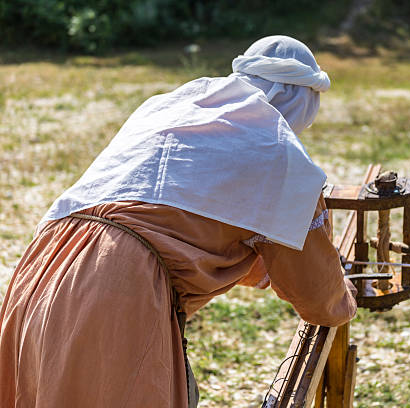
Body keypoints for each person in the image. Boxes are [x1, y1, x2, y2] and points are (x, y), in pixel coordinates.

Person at [0, 35, 357, 407]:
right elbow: (317, 294)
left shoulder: (175, 108)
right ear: (305, 100)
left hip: (41, 267)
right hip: (115, 283)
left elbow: (192, 228)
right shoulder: (279, 153)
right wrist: (343, 297)